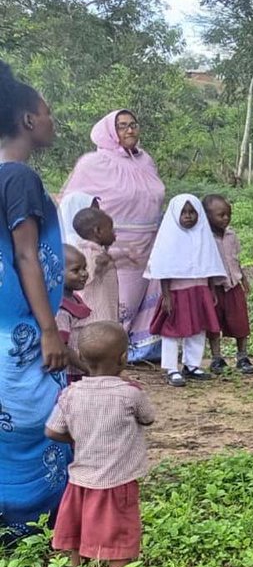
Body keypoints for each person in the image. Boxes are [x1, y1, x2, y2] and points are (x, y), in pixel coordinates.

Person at [0, 61, 70, 538]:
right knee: (33, 421)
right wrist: (50, 330)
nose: (51, 120)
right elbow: (26, 254)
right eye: (46, 112)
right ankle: (31, 517)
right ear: (27, 120)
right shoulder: (19, 178)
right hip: (21, 332)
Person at [45, 321, 155, 567]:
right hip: (118, 479)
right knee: (120, 533)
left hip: (80, 479)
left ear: (80, 357)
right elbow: (148, 418)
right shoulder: (129, 393)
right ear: (123, 357)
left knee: (77, 528)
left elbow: (52, 431)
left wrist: (77, 438)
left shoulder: (70, 394)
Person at [61, 111, 166, 362]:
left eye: (133, 125)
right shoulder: (92, 163)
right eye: (122, 127)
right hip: (111, 244)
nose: (129, 130)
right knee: (113, 300)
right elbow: (73, 203)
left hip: (148, 244)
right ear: (109, 131)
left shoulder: (146, 161)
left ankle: (139, 349)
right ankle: (105, 351)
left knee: (143, 297)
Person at [145, 195, 226, 388]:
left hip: (200, 290)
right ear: (175, 214)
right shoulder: (169, 237)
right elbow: (164, 269)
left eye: (192, 212)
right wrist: (166, 295)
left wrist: (211, 290)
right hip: (177, 292)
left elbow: (210, 263)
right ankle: (172, 368)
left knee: (198, 329)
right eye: (183, 212)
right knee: (172, 331)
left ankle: (192, 365)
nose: (188, 217)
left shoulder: (203, 235)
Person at [203, 195, 253, 377]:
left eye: (228, 214)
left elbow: (235, 258)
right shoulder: (205, 237)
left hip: (234, 285)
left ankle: (242, 356)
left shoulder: (232, 235)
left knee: (241, 320)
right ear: (207, 216)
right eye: (221, 215)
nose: (226, 218)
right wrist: (209, 288)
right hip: (215, 287)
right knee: (214, 323)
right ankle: (217, 357)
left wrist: (244, 279)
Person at [72, 205, 120, 324]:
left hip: (102, 317)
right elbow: (91, 270)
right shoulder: (91, 254)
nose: (114, 233)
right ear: (97, 231)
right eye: (110, 229)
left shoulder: (89, 251)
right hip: (96, 320)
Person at [56, 246, 92, 382]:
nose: (84, 274)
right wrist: (88, 368)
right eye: (76, 270)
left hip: (81, 369)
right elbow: (62, 347)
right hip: (70, 374)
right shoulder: (61, 311)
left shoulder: (75, 299)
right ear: (56, 273)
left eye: (85, 268)